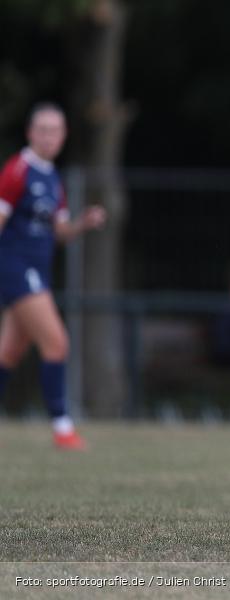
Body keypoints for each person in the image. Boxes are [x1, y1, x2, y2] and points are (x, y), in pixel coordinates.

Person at [0, 102, 106, 450]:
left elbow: (59, 232)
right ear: (31, 133)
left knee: (10, 352)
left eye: (55, 130)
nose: (49, 136)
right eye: (43, 129)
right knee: (57, 342)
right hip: (17, 269)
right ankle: (63, 429)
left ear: (63, 136)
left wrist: (82, 224)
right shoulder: (18, 170)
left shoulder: (51, 176)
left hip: (37, 273)